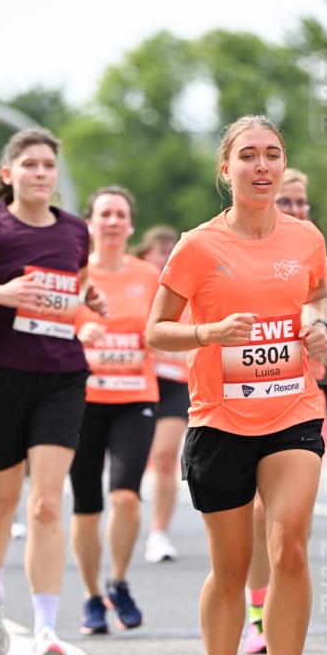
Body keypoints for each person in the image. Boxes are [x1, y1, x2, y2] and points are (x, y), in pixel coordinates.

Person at [147, 115, 327, 655]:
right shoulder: (197, 246)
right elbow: (155, 330)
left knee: (291, 548)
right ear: (225, 170)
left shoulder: (306, 238)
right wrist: (208, 335)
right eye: (248, 156)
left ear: (283, 167)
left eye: (272, 155)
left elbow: (319, 297)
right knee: (229, 571)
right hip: (219, 420)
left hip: (293, 410)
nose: (261, 166)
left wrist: (317, 325)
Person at [0, 127, 106, 655]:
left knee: (46, 504)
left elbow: (74, 286)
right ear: (9, 174)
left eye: (48, 166)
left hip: (61, 376)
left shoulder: (76, 231)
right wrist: (1, 294)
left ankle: (47, 632)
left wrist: (89, 298)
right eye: (30, 164)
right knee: (3, 500)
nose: (40, 173)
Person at [244, 168, 327, 655]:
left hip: (302, 394)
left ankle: (284, 602)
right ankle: (258, 609)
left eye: (302, 202)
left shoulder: (311, 247)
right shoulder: (237, 245)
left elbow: (319, 307)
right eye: (289, 201)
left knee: (291, 518)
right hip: (245, 398)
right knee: (258, 513)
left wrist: (320, 329)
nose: (297, 209)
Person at [70, 187, 159, 635]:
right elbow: (46, 328)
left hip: (134, 399)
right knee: (87, 505)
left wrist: (155, 337)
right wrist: (78, 335)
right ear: (89, 222)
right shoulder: (74, 273)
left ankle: (118, 581)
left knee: (125, 495)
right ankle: (90, 597)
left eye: (119, 214)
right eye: (104, 213)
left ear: (130, 226)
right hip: (81, 402)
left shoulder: (148, 276)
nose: (111, 221)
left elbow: (167, 326)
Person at [136, 225, 187, 564]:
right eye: (160, 251)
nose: (167, 258)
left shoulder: (184, 285)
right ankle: (126, 514)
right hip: (137, 382)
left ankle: (158, 532)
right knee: (139, 458)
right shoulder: (135, 281)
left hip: (175, 382)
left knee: (166, 455)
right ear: (145, 255)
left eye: (172, 251)